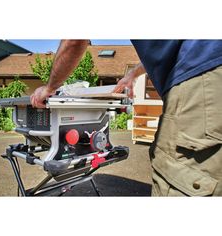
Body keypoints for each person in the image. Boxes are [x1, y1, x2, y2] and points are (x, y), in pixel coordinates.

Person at [31, 40, 222, 196]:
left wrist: (50, 88)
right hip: (210, 70)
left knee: (184, 179)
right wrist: (132, 74)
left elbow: (74, 40)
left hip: (203, 77)